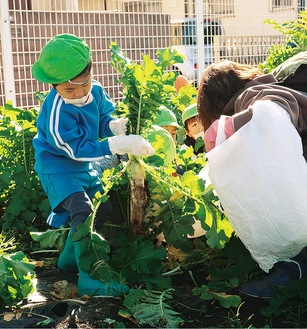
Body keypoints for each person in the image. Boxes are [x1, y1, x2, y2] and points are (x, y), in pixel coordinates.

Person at [31, 33, 154, 297]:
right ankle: (89, 277)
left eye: (83, 85)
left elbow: (102, 121)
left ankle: (68, 260)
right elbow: (74, 150)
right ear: (53, 86)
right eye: (69, 90)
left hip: (84, 165)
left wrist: (116, 127)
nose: (79, 93)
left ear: (90, 73)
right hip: (58, 168)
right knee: (83, 209)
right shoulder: (55, 112)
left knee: (103, 207)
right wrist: (115, 145)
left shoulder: (95, 91)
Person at [197, 59, 307, 299]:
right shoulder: (282, 78)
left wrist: (228, 127)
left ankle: (292, 269)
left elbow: (275, 108)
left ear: (218, 104)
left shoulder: (251, 96)